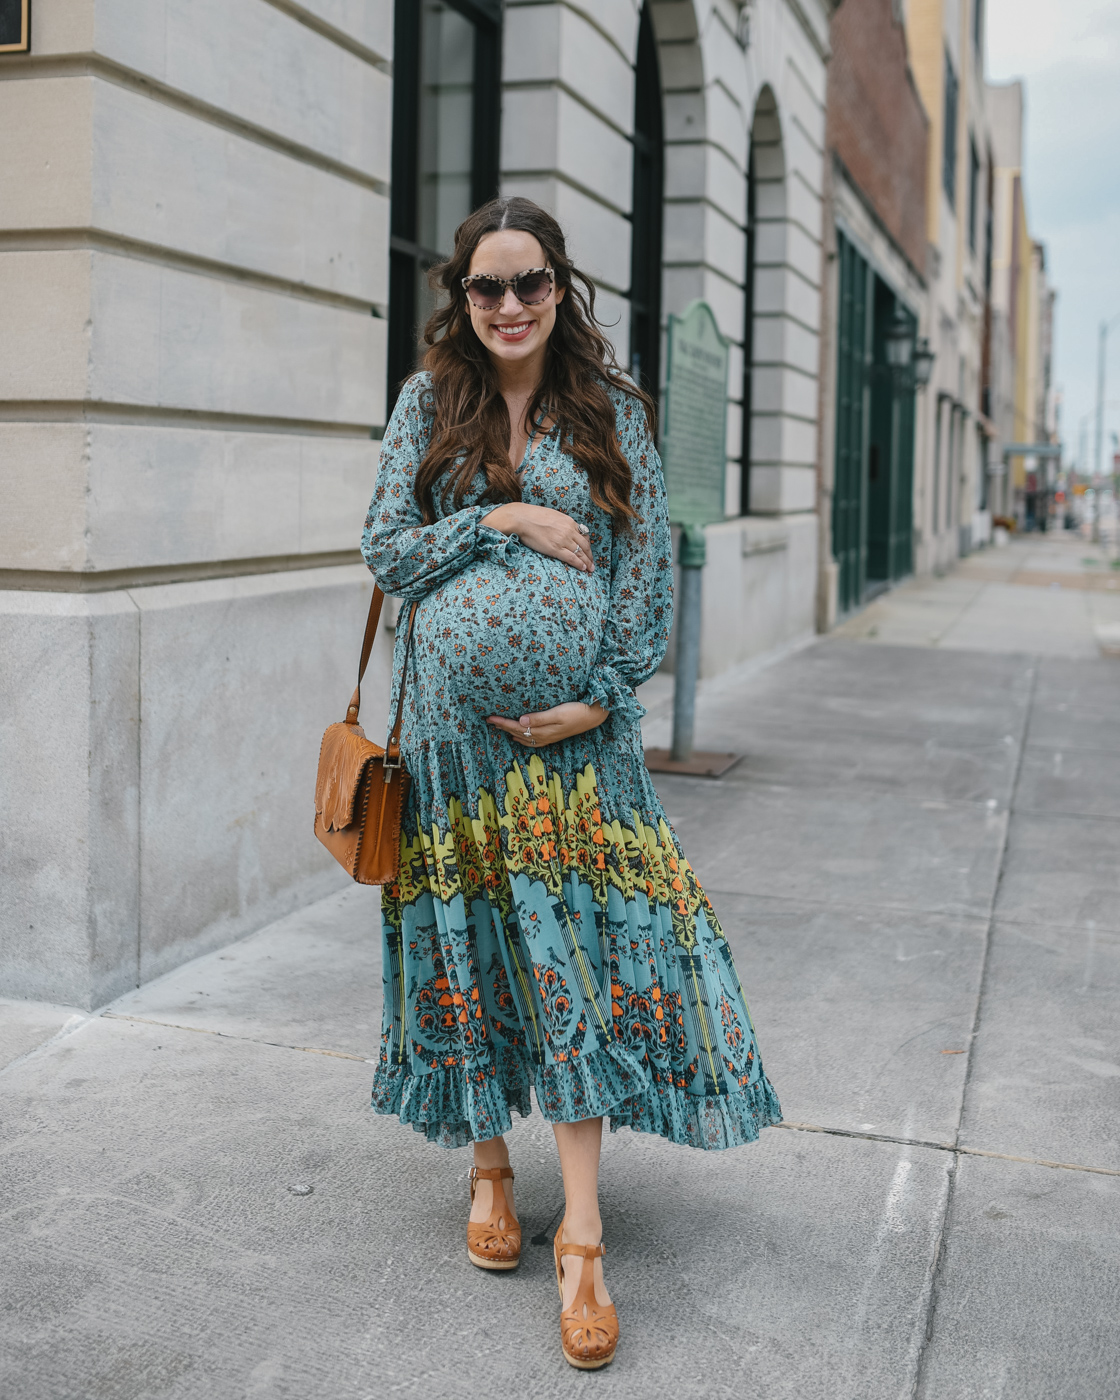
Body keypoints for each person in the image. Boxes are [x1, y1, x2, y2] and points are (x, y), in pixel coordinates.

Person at [361, 196, 780, 1370]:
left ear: (561, 289)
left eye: (528, 283)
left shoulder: (611, 410)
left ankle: (582, 1235)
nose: (506, 306)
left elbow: (643, 573)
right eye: (485, 287)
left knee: (574, 955)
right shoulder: (424, 403)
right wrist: (504, 519)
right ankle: (490, 1167)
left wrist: (601, 697)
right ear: (461, 297)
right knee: (471, 943)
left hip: (575, 748)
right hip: (450, 739)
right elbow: (387, 547)